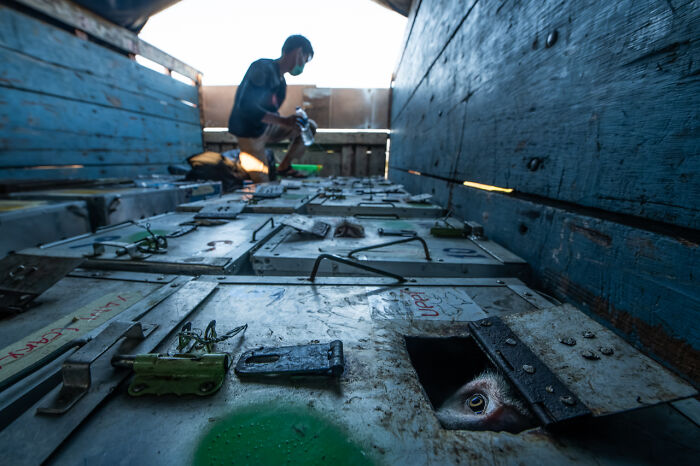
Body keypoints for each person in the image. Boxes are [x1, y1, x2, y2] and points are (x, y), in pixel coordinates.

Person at [228, 35, 317, 182]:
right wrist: (283, 121)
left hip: (266, 128)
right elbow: (246, 106)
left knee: (307, 127)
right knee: (263, 183)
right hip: (249, 133)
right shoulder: (262, 68)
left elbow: (271, 112)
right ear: (298, 52)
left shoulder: (282, 83)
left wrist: (290, 121)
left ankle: (284, 166)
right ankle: (250, 168)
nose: (303, 66)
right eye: (305, 60)